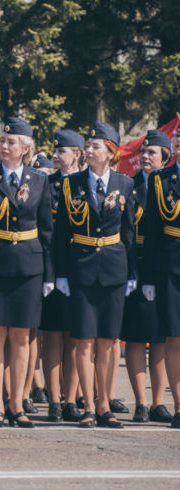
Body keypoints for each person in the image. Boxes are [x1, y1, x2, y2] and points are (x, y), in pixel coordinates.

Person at [0, 117, 54, 428]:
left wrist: (50, 275)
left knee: (20, 336)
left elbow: (47, 232)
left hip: (28, 267)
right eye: (2, 141)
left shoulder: (40, 181)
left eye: (11, 142)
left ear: (26, 147)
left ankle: (18, 402)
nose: (4, 146)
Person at [55, 122, 136, 429]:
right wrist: (61, 273)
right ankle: (87, 405)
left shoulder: (124, 184)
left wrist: (133, 273)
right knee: (84, 340)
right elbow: (62, 232)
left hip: (114, 269)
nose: (89, 151)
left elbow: (129, 232)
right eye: (87, 146)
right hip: (82, 267)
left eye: (95, 147)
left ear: (111, 152)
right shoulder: (71, 184)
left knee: (108, 340)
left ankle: (105, 404)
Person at [121, 130, 173, 424]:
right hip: (135, 262)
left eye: (151, 152)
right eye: (142, 152)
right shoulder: (129, 186)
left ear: (165, 156)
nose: (144, 157)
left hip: (161, 264)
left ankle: (158, 402)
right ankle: (141, 402)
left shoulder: (168, 186)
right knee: (137, 337)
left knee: (162, 338)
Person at [40, 130, 84, 423]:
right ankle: (54, 400)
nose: (56, 156)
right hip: (53, 266)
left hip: (82, 266)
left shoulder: (85, 184)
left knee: (77, 339)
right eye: (54, 151)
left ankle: (72, 398)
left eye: (62, 151)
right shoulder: (46, 183)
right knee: (53, 336)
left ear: (77, 154)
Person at [143, 128, 180, 429]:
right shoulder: (161, 180)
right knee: (174, 338)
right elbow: (152, 230)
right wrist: (148, 278)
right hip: (170, 266)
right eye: (178, 137)